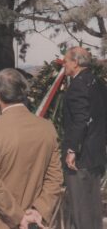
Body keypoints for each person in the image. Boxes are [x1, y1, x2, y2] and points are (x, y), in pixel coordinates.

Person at [0, 68, 63, 229]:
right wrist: (39, 210)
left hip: (1, 220)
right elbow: (55, 178)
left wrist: (19, 216)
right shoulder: (47, 127)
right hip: (36, 218)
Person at [61, 47, 106, 229]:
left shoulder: (78, 85)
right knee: (92, 206)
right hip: (95, 154)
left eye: (65, 61)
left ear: (75, 62)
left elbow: (81, 120)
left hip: (81, 158)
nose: (63, 64)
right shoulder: (98, 82)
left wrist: (72, 149)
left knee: (81, 209)